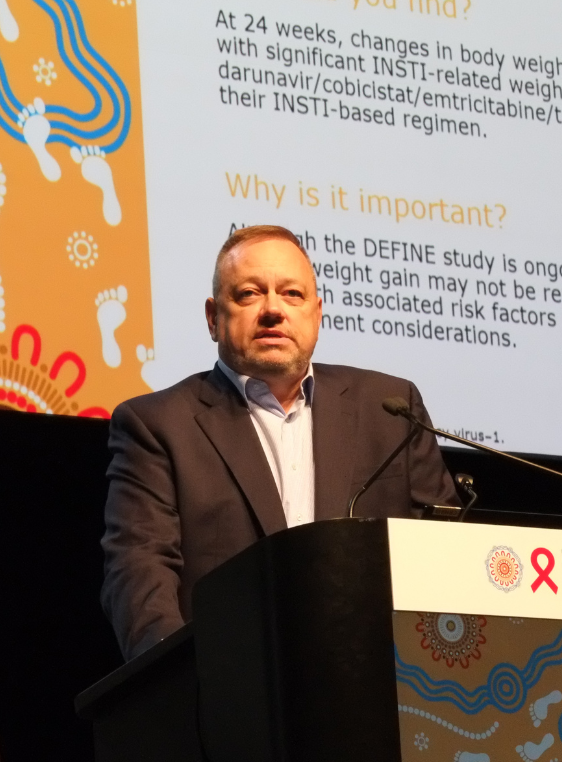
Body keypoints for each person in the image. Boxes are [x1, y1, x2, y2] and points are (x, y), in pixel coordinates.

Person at [100, 225, 457, 659]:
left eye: (292, 294)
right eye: (249, 294)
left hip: (384, 682)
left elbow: (446, 554)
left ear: (317, 313)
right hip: (233, 691)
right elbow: (138, 572)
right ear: (213, 318)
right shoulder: (158, 425)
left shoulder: (389, 409)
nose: (273, 309)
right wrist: (178, 685)